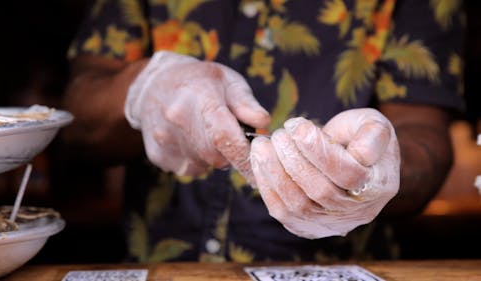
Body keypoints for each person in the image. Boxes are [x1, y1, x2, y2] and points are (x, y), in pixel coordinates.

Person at [63, 0, 464, 262]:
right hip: (156, 264)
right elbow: (75, 122)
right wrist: (141, 88)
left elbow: (423, 130)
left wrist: (376, 173)